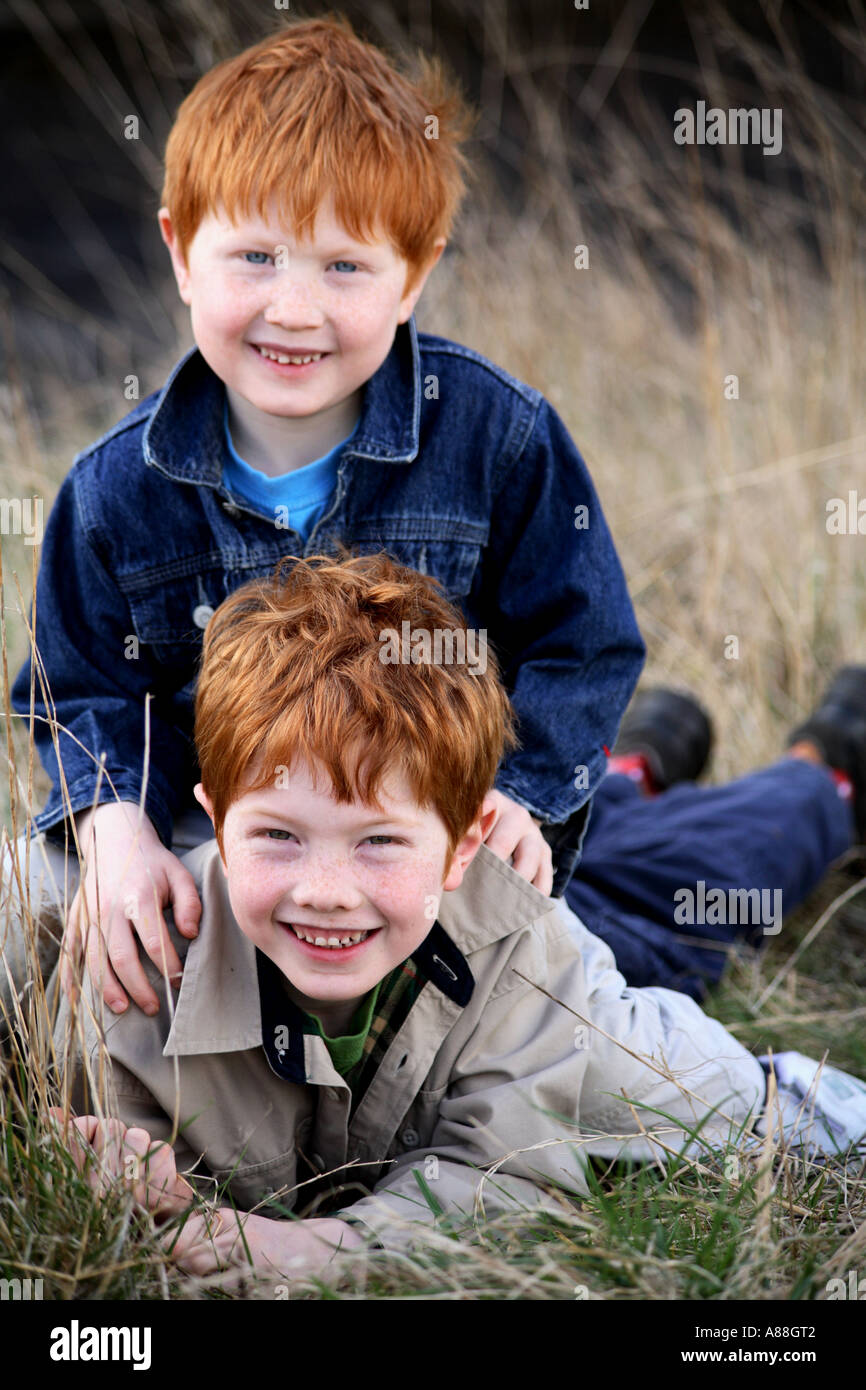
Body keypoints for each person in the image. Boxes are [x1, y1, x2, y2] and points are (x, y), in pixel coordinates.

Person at [5, 14, 644, 1025]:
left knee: (564, 995)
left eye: (343, 267)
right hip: (220, 844)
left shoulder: (497, 439)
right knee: (40, 911)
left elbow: (583, 639)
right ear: (180, 251)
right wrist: (112, 823)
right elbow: (77, 685)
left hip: (425, 844)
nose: (293, 310)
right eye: (253, 256)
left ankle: (718, 811)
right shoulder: (115, 488)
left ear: (415, 275)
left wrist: (523, 793)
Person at [52, 554, 866, 1282]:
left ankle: (822, 766)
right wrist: (147, 1181)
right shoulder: (137, 963)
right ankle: (631, 767)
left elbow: (506, 1174)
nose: (326, 889)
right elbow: (137, 1179)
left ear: (465, 845)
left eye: (375, 841)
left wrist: (309, 1252)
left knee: (706, 892)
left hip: (513, 939)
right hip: (441, 891)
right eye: (276, 836)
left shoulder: (532, 952)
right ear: (214, 822)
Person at [566, 675, 863, 999]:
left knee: (556, 823)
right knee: (684, 881)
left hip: (532, 895)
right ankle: (828, 774)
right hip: (578, 932)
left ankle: (630, 775)